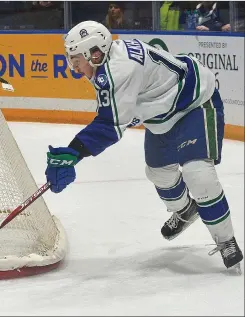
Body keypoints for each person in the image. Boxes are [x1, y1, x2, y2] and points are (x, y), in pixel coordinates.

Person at [46, 21, 242, 272]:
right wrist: (76, 150)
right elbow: (116, 114)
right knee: (159, 174)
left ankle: (226, 240)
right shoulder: (106, 64)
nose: (73, 67)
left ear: (94, 53)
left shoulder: (119, 70)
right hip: (161, 117)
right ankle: (186, 211)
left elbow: (110, 125)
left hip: (194, 104)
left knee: (198, 175)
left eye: (76, 60)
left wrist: (73, 152)